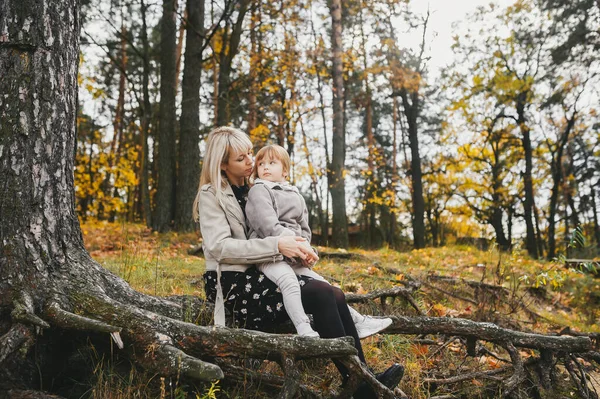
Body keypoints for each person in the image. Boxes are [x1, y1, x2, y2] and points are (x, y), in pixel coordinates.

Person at [194, 127, 403, 397]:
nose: (250, 161)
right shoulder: (212, 195)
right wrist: (278, 245)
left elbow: (282, 224)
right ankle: (362, 385)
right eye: (241, 158)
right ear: (222, 164)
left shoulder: (257, 187)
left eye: (249, 153)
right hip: (235, 281)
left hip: (264, 270)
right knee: (321, 294)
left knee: (335, 293)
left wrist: (300, 248)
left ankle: (361, 377)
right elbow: (219, 247)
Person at [245, 144, 392, 338]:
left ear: (285, 170)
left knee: (327, 285)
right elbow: (267, 226)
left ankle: (359, 321)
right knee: (289, 282)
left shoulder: (295, 195)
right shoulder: (259, 190)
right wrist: (298, 245)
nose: (265, 167)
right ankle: (303, 327)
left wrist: (306, 251)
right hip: (269, 252)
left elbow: (304, 229)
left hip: (293, 254)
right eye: (261, 163)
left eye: (272, 163)